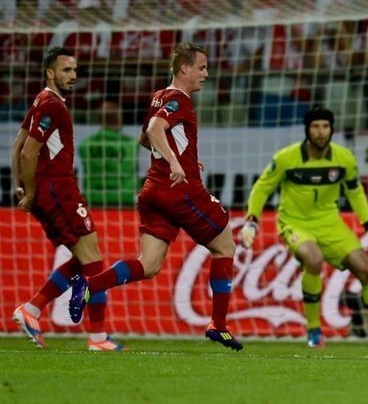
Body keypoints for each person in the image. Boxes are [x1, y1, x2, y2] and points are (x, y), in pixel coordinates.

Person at [68, 43, 243, 351]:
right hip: (180, 191)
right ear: (184, 69)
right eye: (201, 67)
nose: (206, 73)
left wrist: (183, 156)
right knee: (225, 243)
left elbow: (144, 138)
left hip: (152, 191)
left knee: (148, 265)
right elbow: (154, 128)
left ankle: (89, 285)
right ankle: (218, 323)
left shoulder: (158, 96)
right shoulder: (179, 99)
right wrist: (177, 163)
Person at [239, 106, 368, 350]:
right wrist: (252, 219)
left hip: (330, 223)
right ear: (307, 130)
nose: (320, 132)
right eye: (315, 127)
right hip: (294, 222)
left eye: (325, 126)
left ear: (332, 129)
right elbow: (262, 188)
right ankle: (314, 330)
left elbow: (355, 192)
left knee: (366, 270)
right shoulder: (286, 158)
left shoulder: (344, 158)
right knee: (314, 260)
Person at [10, 47, 124, 351]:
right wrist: (31, 192)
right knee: (94, 262)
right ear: (50, 73)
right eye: (66, 70)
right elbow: (27, 151)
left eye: (74, 70)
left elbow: (17, 145)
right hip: (57, 189)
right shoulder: (52, 106)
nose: (73, 76)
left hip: (55, 188)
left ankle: (33, 309)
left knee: (86, 259)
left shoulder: (41, 100)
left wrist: (18, 186)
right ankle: (97, 338)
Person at [78, 101, 140, 206]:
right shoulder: (133, 145)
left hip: (94, 200)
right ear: (120, 119)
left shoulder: (85, 145)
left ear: (100, 120)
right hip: (125, 199)